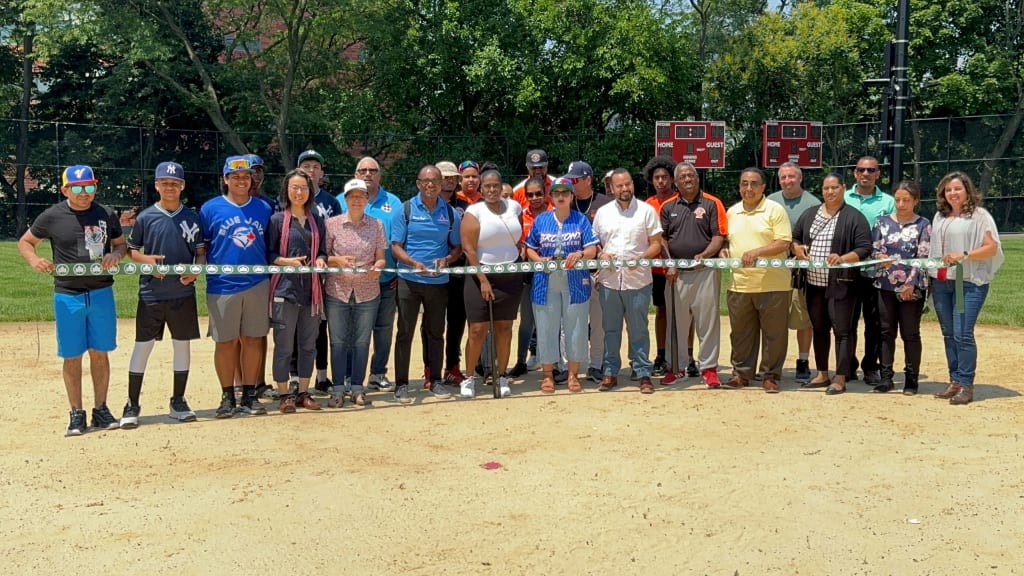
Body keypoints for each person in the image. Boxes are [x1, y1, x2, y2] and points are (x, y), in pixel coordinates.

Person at [18, 164, 127, 436]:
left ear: (95, 187)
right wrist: (34, 259)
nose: (84, 193)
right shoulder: (52, 215)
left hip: (101, 292)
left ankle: (101, 409)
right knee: (72, 355)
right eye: (77, 188)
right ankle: (76, 413)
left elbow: (121, 244)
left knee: (100, 352)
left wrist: (116, 255)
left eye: (89, 187)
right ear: (65, 189)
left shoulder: (106, 213)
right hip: (68, 295)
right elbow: (25, 242)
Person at [120, 161, 204, 429]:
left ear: (182, 186)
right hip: (152, 293)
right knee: (143, 346)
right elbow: (132, 250)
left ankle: (178, 401)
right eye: (165, 183)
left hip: (182, 292)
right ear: (156, 185)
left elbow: (201, 253)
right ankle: (132, 403)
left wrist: (196, 271)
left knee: (182, 345)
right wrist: (147, 260)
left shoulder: (192, 217)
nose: (170, 187)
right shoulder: (146, 217)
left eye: (175, 183)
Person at [200, 155, 272, 417]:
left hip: (257, 283)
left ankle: (250, 396)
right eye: (235, 176)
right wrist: (197, 269)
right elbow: (202, 247)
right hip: (222, 285)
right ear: (225, 179)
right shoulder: (210, 208)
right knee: (225, 342)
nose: (241, 181)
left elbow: (271, 245)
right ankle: (228, 396)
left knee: (253, 339)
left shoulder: (264, 208)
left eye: (246, 176)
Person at [791, 172, 872, 395]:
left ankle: (841, 376)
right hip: (813, 284)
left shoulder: (854, 217)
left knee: (843, 331)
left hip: (842, 285)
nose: (830, 192)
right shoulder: (810, 214)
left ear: (843, 188)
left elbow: (865, 247)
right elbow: (795, 238)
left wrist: (843, 258)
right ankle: (822, 373)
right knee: (819, 329)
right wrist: (797, 248)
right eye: (826, 188)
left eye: (834, 187)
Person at [929, 171, 1004, 405]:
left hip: (968, 282)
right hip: (942, 282)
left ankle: (966, 384)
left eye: (957, 189)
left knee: (962, 333)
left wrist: (964, 255)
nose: (952, 193)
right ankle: (954, 381)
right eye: (948, 189)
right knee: (949, 333)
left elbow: (991, 248)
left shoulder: (980, 216)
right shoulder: (940, 217)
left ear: (967, 190)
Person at [390, 165, 463, 403]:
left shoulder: (450, 213)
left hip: (438, 282)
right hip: (409, 281)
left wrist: (447, 260)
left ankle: (436, 380)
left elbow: (457, 248)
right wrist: (412, 262)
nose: (431, 185)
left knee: (436, 333)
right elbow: (396, 246)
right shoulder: (405, 209)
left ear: (441, 184)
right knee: (405, 333)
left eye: (435, 181)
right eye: (426, 181)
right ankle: (401, 384)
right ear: (418, 184)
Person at [592, 168, 663, 394]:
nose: (625, 189)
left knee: (639, 329)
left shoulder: (646, 210)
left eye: (628, 184)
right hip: (610, 281)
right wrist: (602, 254)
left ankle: (643, 373)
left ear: (633, 184)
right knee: (610, 330)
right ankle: (610, 372)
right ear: (611, 188)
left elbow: (656, 243)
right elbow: (595, 244)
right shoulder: (602, 213)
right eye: (620, 185)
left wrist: (641, 257)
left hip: (638, 280)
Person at [525, 177, 600, 393]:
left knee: (575, 327)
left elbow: (592, 249)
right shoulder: (541, 220)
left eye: (565, 193)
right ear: (551, 197)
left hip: (575, 281)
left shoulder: (581, 220)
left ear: (571, 196)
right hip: (545, 280)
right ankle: (548, 375)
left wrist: (580, 254)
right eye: (556, 193)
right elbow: (530, 248)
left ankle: (573, 374)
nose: (560, 197)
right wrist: (539, 260)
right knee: (546, 327)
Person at [721, 168, 791, 393]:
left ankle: (770, 375)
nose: (748, 188)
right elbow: (726, 240)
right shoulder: (732, 212)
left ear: (763, 187)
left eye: (753, 184)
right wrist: (723, 250)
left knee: (774, 334)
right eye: (744, 183)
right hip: (740, 284)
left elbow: (783, 242)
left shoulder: (775, 210)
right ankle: (741, 374)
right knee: (741, 333)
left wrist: (757, 252)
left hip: (773, 284)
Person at [337, 156, 403, 393]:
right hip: (350, 283)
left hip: (385, 280)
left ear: (379, 175)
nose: (367, 174)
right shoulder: (340, 201)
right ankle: (348, 376)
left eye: (372, 170)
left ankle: (378, 373)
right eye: (362, 170)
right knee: (351, 332)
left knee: (383, 329)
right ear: (355, 174)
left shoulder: (394, 203)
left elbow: (399, 239)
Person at [267, 169, 328, 412]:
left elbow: (322, 250)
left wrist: (321, 259)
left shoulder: (317, 221)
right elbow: (269, 254)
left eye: (303, 187)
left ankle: (303, 392)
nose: (299, 192)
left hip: (311, 293)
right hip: (284, 291)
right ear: (286, 190)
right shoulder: (277, 220)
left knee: (308, 345)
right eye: (294, 187)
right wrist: (286, 262)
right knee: (284, 346)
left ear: (309, 191)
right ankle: (284, 395)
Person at [659, 162, 725, 388]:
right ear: (675, 182)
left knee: (708, 323)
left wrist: (705, 255)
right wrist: (669, 263)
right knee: (676, 324)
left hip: (704, 271)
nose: (687, 179)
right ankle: (676, 368)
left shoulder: (712, 202)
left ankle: (709, 369)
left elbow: (718, 236)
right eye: (682, 177)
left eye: (691, 175)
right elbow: (662, 238)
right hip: (676, 274)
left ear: (697, 178)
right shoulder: (668, 206)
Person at [459, 168, 524, 398]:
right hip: (480, 276)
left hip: (510, 275)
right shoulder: (474, 212)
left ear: (501, 185)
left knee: (505, 328)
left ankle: (502, 375)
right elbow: (468, 249)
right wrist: (483, 280)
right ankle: (469, 378)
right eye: (487, 186)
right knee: (477, 329)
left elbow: (518, 235)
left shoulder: (514, 207)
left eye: (495, 185)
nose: (492, 190)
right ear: (481, 188)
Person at [324, 179, 387, 408]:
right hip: (337, 291)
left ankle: (358, 388)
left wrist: (378, 266)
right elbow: (323, 257)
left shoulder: (377, 225)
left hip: (367, 291)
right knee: (338, 341)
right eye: (352, 196)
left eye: (361, 196)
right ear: (346, 199)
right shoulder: (332, 224)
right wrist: (337, 260)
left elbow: (381, 257)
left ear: (367, 199)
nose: (357, 200)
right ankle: (338, 388)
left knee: (362, 341)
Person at [871, 180, 931, 395]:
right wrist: (879, 257)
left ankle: (911, 380)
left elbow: (923, 256)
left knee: (910, 333)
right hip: (885, 284)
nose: (901, 204)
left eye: (906, 200)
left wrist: (910, 283)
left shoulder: (923, 224)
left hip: (911, 288)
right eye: (897, 200)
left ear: (916, 201)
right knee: (886, 332)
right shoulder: (881, 222)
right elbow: (873, 249)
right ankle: (886, 377)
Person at [766, 162, 819, 382]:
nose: (787, 181)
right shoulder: (770, 201)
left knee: (802, 317)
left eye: (791, 176)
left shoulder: (813, 203)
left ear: (800, 178)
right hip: (772, 269)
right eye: (783, 177)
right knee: (771, 319)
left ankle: (803, 361)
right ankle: (770, 363)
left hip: (800, 271)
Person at [845, 156, 895, 384]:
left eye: (871, 170)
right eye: (861, 170)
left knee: (874, 323)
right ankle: (848, 365)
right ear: (855, 173)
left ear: (878, 174)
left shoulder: (889, 202)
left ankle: (870, 367)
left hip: (876, 271)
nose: (865, 173)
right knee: (847, 321)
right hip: (848, 270)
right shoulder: (843, 197)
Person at [296, 149, 342, 395]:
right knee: (295, 325)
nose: (311, 170)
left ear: (322, 172)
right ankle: (295, 377)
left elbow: (337, 235)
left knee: (320, 324)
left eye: (316, 167)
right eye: (306, 166)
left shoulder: (331, 202)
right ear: (298, 170)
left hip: (323, 270)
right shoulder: (289, 199)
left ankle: (322, 376)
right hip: (296, 272)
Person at [566, 160, 612, 383]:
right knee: (570, 323)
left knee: (598, 323)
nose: (571, 183)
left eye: (575, 179)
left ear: (588, 179)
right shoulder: (566, 202)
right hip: (572, 273)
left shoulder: (605, 203)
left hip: (598, 272)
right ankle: (569, 366)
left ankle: (596, 364)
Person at [431, 160, 471, 386]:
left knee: (456, 322)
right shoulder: (425, 204)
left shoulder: (465, 206)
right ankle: (431, 369)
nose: (449, 182)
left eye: (453, 178)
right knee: (432, 324)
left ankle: (452, 367)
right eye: (444, 177)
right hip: (432, 270)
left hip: (458, 269)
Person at [508, 177, 549, 377]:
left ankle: (552, 364)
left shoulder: (554, 214)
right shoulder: (521, 216)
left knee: (552, 320)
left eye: (538, 193)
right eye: (530, 195)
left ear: (545, 193)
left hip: (551, 272)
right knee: (526, 321)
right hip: (528, 274)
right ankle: (520, 361)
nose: (534, 198)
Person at [642, 156, 678, 378]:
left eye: (665, 177)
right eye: (657, 177)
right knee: (662, 311)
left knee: (684, 313)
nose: (661, 181)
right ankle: (661, 355)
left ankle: (686, 355)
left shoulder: (679, 200)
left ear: (672, 179)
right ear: (651, 180)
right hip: (656, 269)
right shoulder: (648, 204)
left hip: (679, 265)